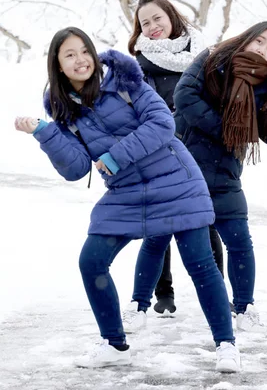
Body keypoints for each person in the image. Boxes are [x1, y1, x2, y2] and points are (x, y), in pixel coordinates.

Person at [14, 26, 240, 372]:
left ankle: (226, 345)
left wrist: (116, 156)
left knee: (200, 264)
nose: (80, 60)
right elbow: (75, 168)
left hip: (177, 181)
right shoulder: (66, 114)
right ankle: (114, 344)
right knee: (92, 260)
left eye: (84, 51)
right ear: (58, 65)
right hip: (127, 193)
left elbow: (163, 123)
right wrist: (44, 133)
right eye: (69, 55)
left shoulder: (124, 83)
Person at [171, 21, 267, 331]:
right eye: (260, 41)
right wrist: (227, 131)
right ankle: (143, 304)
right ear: (247, 38)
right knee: (177, 246)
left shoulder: (266, 87)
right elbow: (184, 97)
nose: (263, 50)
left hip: (226, 174)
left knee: (240, 243)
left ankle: (245, 307)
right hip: (184, 169)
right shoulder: (213, 58)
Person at [127, 0, 223, 318]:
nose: (153, 27)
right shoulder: (138, 66)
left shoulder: (205, 55)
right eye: (145, 23)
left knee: (206, 221)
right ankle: (162, 293)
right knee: (160, 226)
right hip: (161, 153)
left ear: (172, 16)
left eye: (157, 18)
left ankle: (218, 288)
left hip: (203, 149)